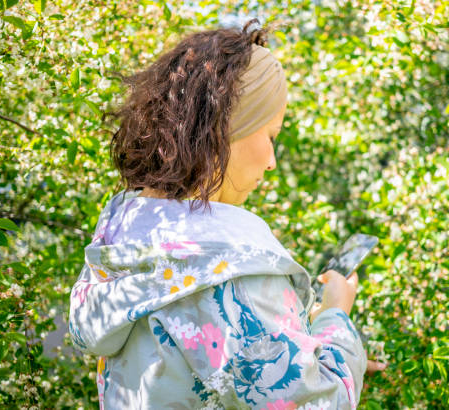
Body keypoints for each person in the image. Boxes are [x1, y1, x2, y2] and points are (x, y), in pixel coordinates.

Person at [69, 20, 382, 409]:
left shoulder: (122, 235)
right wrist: (335, 318)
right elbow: (320, 402)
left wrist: (297, 340)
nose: (271, 161)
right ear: (228, 126)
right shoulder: (229, 271)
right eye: (270, 136)